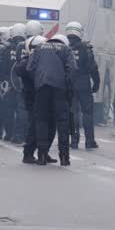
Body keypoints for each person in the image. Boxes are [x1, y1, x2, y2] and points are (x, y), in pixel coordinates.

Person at [27, 34, 76, 166]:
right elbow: (72, 70)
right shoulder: (66, 49)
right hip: (60, 90)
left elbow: (30, 68)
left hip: (42, 89)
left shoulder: (38, 48)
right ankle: (64, 158)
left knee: (42, 121)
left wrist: (38, 81)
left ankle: (42, 156)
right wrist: (66, 86)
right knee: (63, 123)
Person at [65, 22, 100, 149]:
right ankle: (90, 141)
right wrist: (96, 83)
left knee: (73, 112)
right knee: (87, 113)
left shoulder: (65, 48)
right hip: (84, 82)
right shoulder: (86, 48)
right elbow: (93, 68)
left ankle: (74, 141)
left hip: (70, 83)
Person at [0, 25, 23, 142]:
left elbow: (0, 67)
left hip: (6, 84)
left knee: (7, 109)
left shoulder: (4, 49)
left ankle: (8, 133)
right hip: (21, 83)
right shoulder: (25, 47)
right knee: (21, 110)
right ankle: (19, 134)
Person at [18, 21, 43, 163]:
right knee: (35, 125)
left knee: (41, 125)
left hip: (37, 96)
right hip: (33, 97)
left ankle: (41, 151)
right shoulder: (28, 62)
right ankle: (28, 153)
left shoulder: (26, 56)